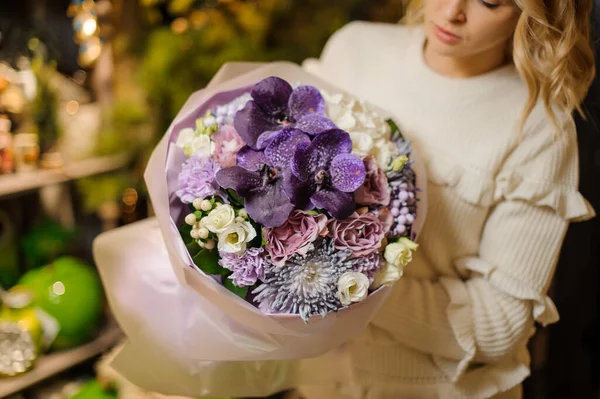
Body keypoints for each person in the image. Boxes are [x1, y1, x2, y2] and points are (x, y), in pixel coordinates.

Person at [297, 0, 597, 397]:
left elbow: (498, 325)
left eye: (489, 1)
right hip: (316, 379)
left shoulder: (540, 126)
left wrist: (341, 279)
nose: (453, 11)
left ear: (532, 12)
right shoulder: (354, 50)